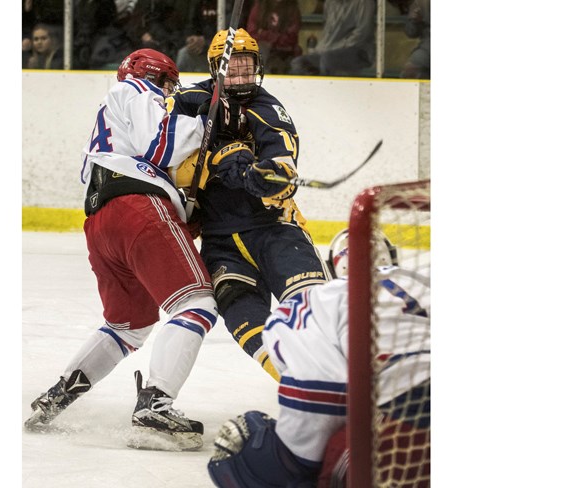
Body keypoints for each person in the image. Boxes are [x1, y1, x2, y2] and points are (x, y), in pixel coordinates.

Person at [24, 49, 218, 452]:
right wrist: (203, 122)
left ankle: (59, 395)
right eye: (168, 83)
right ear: (152, 75)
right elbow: (161, 145)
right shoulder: (134, 90)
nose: (170, 92)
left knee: (129, 327)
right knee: (197, 303)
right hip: (137, 209)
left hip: (101, 224)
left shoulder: (109, 119)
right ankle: (155, 406)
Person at [167, 28, 332, 382]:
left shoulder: (268, 109)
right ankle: (301, 388)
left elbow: (283, 169)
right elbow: (166, 160)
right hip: (221, 241)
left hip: (274, 229)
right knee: (247, 322)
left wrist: (265, 177)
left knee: (315, 312)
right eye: (233, 68)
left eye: (247, 68)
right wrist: (214, 160)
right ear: (216, 68)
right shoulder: (190, 101)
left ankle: (344, 383)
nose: (241, 76)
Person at [207, 229, 431, 487]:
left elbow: (322, 397)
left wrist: (285, 461)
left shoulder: (323, 297)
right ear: (392, 259)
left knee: (247, 455)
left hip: (407, 435)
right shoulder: (426, 283)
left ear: (332, 271)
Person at [289, 0, 376, 76]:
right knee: (298, 62)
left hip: (359, 53)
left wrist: (334, 48)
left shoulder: (364, 2)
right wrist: (319, 49)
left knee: (327, 60)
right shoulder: (329, 2)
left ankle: (328, 92)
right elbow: (328, 31)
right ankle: (309, 94)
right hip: (330, 51)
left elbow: (363, 33)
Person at [246, 0, 303, 74]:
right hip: (263, 52)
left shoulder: (293, 9)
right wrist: (276, 37)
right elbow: (252, 34)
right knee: (262, 49)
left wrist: (264, 33)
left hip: (285, 53)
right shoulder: (259, 6)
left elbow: (291, 38)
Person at [400, 0, 430, 79]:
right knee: (410, 71)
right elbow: (411, 32)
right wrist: (415, 21)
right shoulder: (419, 2)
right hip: (427, 47)